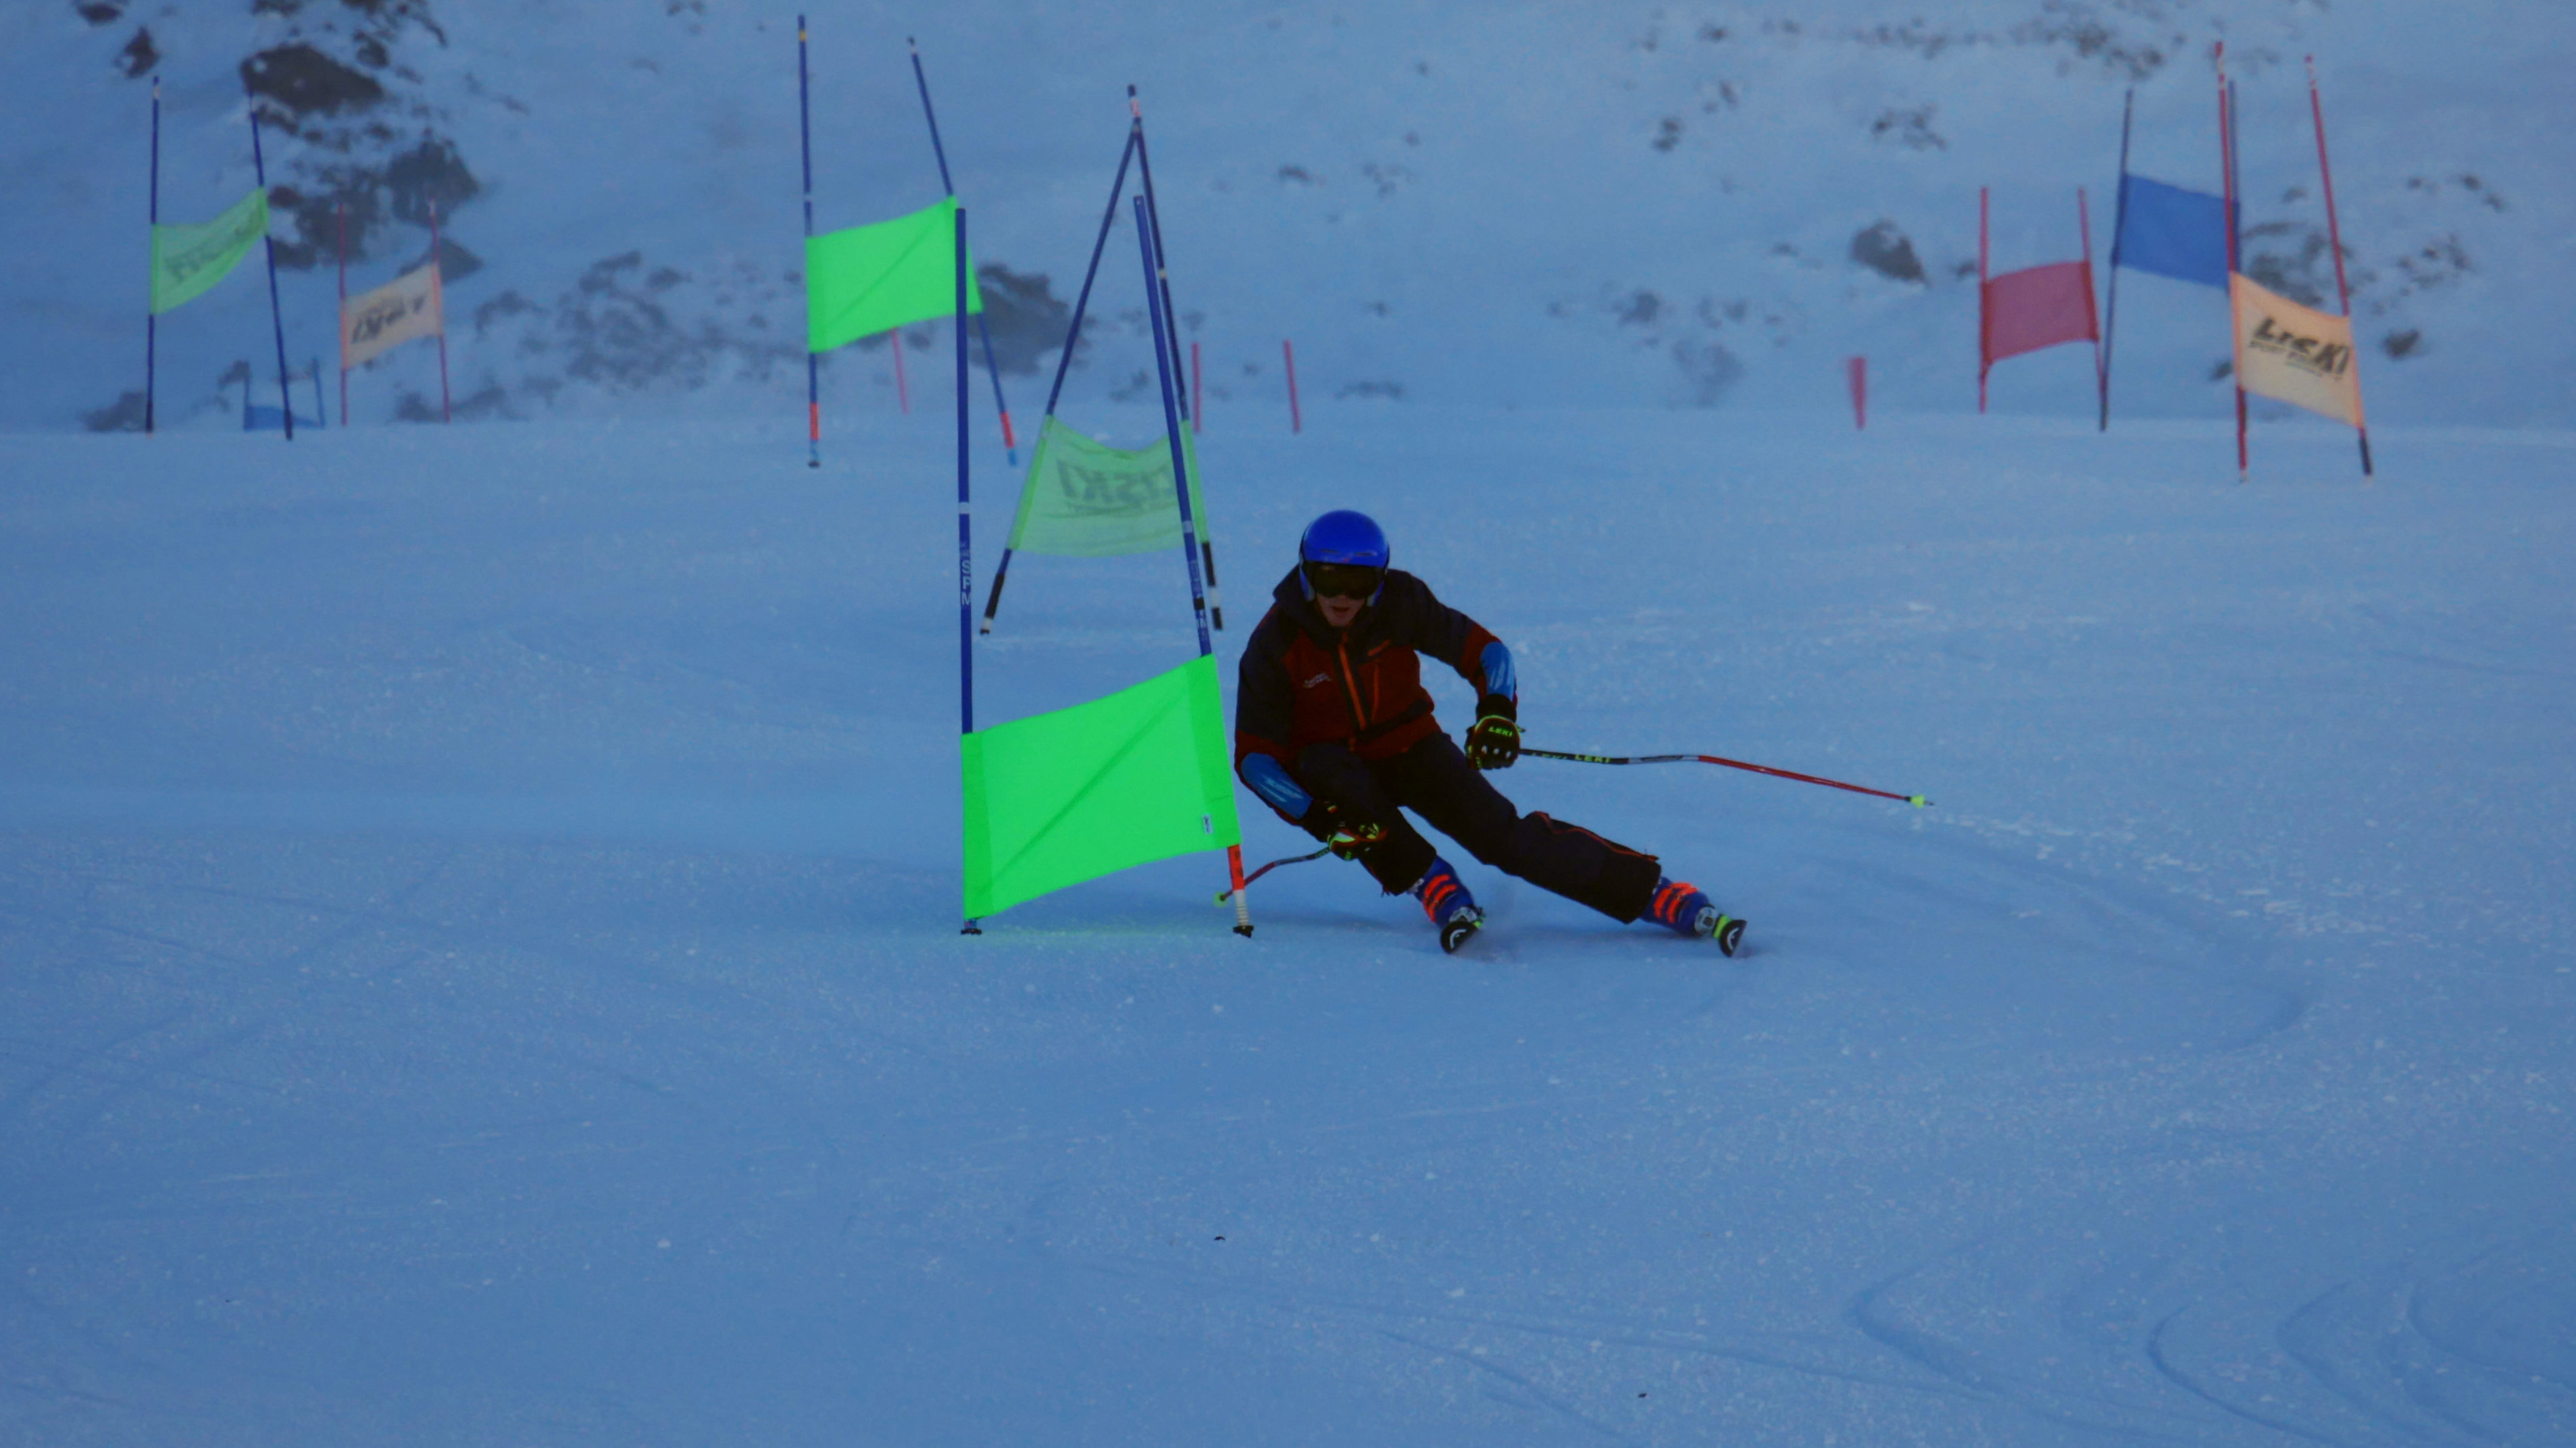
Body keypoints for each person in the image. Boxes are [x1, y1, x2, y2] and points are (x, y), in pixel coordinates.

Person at [1234, 509, 1745, 956]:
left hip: (1411, 745)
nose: (1343, 597)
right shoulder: (1275, 644)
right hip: (1335, 766)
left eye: (1361, 582)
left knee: (1504, 839)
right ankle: (1430, 883)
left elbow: (1485, 651)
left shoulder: (1402, 603)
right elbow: (1255, 759)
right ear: (1305, 574)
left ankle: (1654, 894)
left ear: (1381, 580)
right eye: (1329, 580)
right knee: (1336, 785)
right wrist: (1317, 819)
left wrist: (1496, 712)